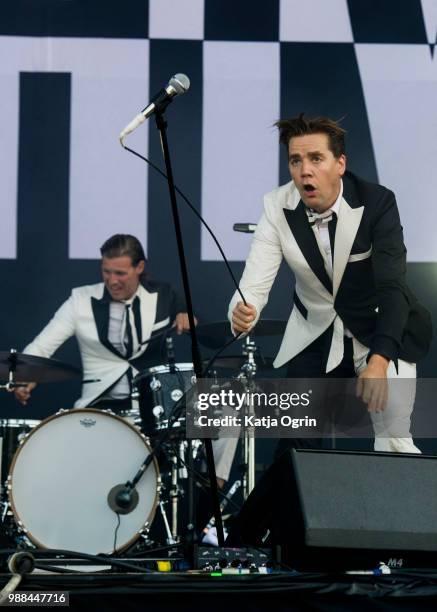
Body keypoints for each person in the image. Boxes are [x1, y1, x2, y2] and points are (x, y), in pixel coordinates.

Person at [229, 114, 432, 455]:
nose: (304, 170)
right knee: (295, 448)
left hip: (378, 329)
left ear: (340, 164)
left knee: (395, 442)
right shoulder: (276, 206)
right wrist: (243, 309)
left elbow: (392, 287)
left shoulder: (377, 202)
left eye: (315, 159)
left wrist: (380, 360)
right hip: (316, 332)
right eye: (295, 160)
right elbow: (254, 281)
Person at [14, 234, 234, 483]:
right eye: (106, 272)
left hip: (155, 411)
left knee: (229, 405)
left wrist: (192, 321)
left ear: (139, 267)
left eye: (120, 273)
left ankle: (211, 499)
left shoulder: (164, 295)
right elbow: (41, 348)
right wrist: (25, 376)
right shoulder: (81, 300)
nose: (112, 281)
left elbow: (213, 337)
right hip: (99, 408)